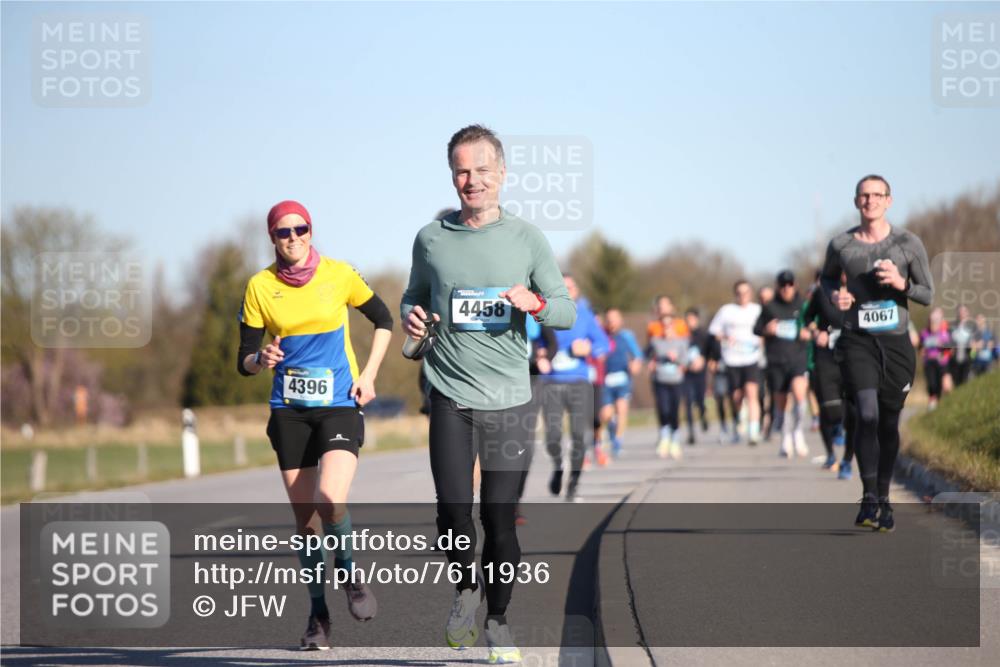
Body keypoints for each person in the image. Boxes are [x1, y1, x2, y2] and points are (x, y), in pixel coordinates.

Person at [401, 125, 575, 662]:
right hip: (450, 396)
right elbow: (412, 298)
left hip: (509, 403)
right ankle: (466, 592)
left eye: (480, 169)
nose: (469, 180)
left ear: (501, 174)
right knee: (453, 513)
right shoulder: (431, 239)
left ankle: (497, 620)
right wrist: (412, 320)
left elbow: (564, 311)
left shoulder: (527, 239)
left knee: (499, 519)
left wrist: (535, 303)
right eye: (460, 169)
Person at [237, 200, 392, 650]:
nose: (293, 238)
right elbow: (243, 360)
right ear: (272, 238)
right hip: (289, 410)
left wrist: (370, 375)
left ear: (311, 230)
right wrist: (258, 358)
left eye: (300, 229)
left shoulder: (340, 274)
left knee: (331, 499)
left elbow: (384, 319)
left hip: (340, 404)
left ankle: (348, 572)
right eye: (283, 232)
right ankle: (318, 615)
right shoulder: (259, 286)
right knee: (305, 521)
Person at [821, 174, 933, 532]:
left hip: (897, 343)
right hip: (858, 340)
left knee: (887, 421)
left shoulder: (907, 243)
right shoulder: (841, 245)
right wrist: (836, 297)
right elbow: (825, 279)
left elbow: (928, 293)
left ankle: (884, 499)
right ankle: (869, 497)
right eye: (863, 196)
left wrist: (901, 284)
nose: (870, 201)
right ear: (856, 202)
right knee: (865, 413)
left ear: (889, 200)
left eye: (876, 195)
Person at [540, 274, 610, 495]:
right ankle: (559, 466)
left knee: (579, 435)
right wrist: (539, 352)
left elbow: (604, 344)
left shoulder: (585, 315)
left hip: (579, 382)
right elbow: (532, 340)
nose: (567, 291)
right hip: (551, 382)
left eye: (570, 287)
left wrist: (589, 349)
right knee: (552, 436)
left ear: (577, 291)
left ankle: (575, 480)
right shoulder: (543, 312)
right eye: (562, 287)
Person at [754, 270, 811, 458]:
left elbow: (814, 324)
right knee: (782, 403)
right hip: (776, 359)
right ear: (778, 287)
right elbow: (756, 329)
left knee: (800, 395)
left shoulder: (802, 305)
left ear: (795, 285)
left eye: (790, 284)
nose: (787, 288)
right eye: (783, 285)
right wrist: (766, 330)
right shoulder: (770, 307)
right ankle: (786, 437)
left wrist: (808, 332)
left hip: (797, 357)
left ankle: (798, 432)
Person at [803, 270, 849, 475]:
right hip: (826, 356)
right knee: (829, 408)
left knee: (855, 411)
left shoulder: (863, 289)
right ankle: (831, 452)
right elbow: (807, 317)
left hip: (854, 355)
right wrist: (815, 332)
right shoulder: (822, 293)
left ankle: (847, 460)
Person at [708, 280, 764, 445]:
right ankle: (739, 419)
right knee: (736, 396)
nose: (743, 296)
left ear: (751, 293)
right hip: (732, 358)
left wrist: (762, 340)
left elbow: (765, 330)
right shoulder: (726, 311)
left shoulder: (757, 310)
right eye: (739, 293)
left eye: (746, 292)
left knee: (752, 392)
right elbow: (714, 332)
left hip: (752, 357)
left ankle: (753, 432)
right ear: (735, 294)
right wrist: (725, 337)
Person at [599, 307, 643, 457]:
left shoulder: (626, 336)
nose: (611, 322)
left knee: (621, 408)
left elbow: (637, 355)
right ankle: (610, 426)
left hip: (623, 378)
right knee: (606, 413)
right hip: (606, 379)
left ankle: (617, 440)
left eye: (614, 319)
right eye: (609, 319)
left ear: (620, 320)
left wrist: (635, 364)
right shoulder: (602, 336)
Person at [647, 307, 691, 459]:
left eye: (669, 325)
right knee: (663, 409)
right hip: (660, 380)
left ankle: (675, 439)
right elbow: (646, 355)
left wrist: (677, 359)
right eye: (663, 325)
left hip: (676, 381)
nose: (666, 329)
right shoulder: (655, 342)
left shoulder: (681, 342)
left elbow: (686, 360)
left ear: (673, 325)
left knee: (674, 410)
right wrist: (651, 363)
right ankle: (664, 438)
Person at [682, 308, 710, 445]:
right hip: (686, 373)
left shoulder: (703, 334)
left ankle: (703, 414)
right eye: (687, 320)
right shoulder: (683, 334)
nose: (689, 322)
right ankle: (691, 432)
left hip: (700, 372)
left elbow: (710, 350)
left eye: (691, 319)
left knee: (699, 399)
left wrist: (704, 360)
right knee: (688, 402)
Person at [919, 307, 952, 410]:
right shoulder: (924, 333)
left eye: (935, 322)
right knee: (931, 384)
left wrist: (942, 349)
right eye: (931, 322)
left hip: (940, 363)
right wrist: (922, 352)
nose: (933, 324)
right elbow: (920, 347)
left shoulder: (943, 334)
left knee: (939, 385)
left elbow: (949, 348)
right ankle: (932, 401)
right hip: (928, 362)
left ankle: (938, 403)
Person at [949, 305, 977, 387]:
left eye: (964, 311)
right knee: (956, 383)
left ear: (968, 313)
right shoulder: (952, 327)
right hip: (954, 360)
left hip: (967, 360)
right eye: (960, 312)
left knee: (965, 383)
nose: (962, 314)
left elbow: (975, 347)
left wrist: (973, 357)